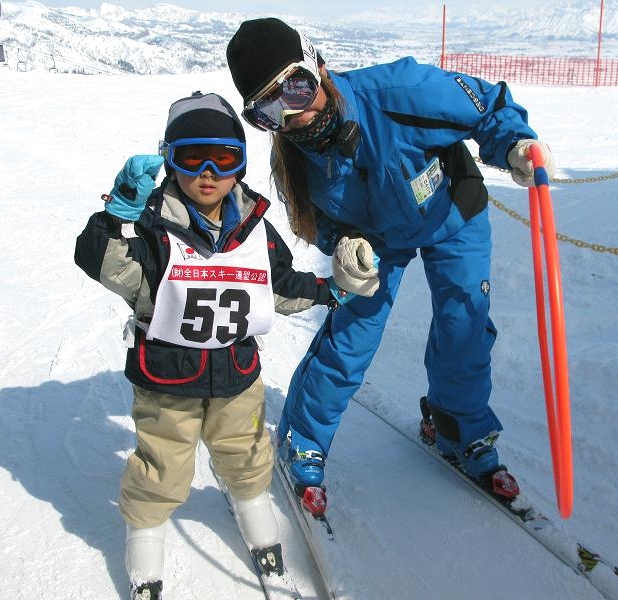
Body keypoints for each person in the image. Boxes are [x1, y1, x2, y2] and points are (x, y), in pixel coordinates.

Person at [225, 18, 556, 509]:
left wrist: (514, 144)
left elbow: (488, 106)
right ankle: (305, 438)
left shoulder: (400, 92)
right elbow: (319, 219)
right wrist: (343, 243)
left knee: (463, 324)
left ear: (318, 65)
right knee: (353, 332)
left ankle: (458, 429)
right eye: (268, 112)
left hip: (452, 213)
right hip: (378, 235)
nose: (293, 116)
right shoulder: (296, 160)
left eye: (296, 88)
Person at [74, 91, 356, 600]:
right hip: (166, 381)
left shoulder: (253, 228)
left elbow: (279, 287)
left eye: (224, 159)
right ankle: (145, 538)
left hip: (237, 376)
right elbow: (105, 264)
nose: (208, 172)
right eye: (191, 157)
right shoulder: (151, 224)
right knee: (162, 466)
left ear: (240, 165)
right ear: (170, 159)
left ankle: (255, 517)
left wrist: (330, 290)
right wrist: (119, 214)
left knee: (247, 455)